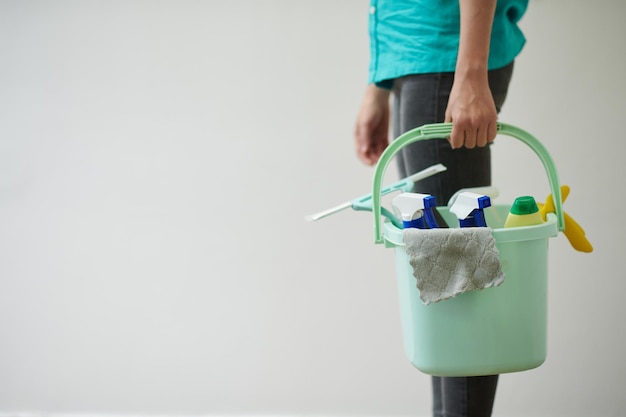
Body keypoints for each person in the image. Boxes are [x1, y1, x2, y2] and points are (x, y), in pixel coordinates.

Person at [353, 1, 528, 416]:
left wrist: (469, 73)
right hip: (417, 59)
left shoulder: (452, 68)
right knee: (443, 278)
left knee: (460, 277)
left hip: (446, 57)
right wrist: (378, 85)